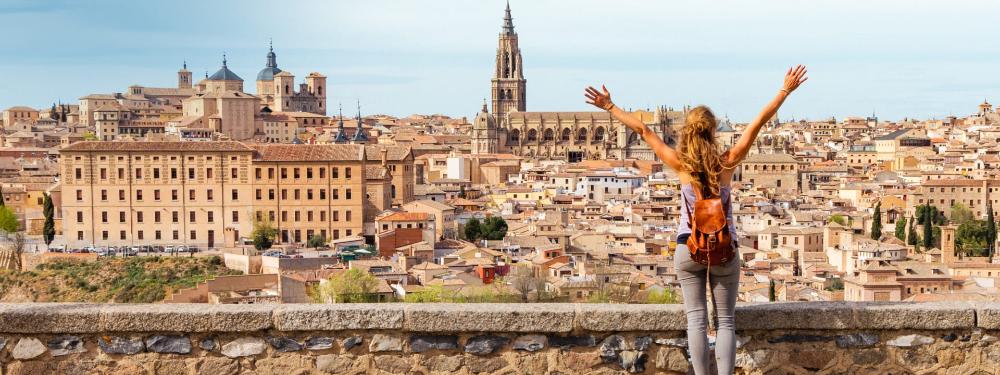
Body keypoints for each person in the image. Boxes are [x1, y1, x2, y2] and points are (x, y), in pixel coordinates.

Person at [584, 65, 808, 375]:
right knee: (726, 321)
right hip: (724, 250)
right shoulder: (726, 163)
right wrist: (784, 90)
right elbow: (757, 123)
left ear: (687, 132)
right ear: (713, 131)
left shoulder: (680, 163)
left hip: (687, 248)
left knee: (696, 320)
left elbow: (644, 131)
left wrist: (609, 106)